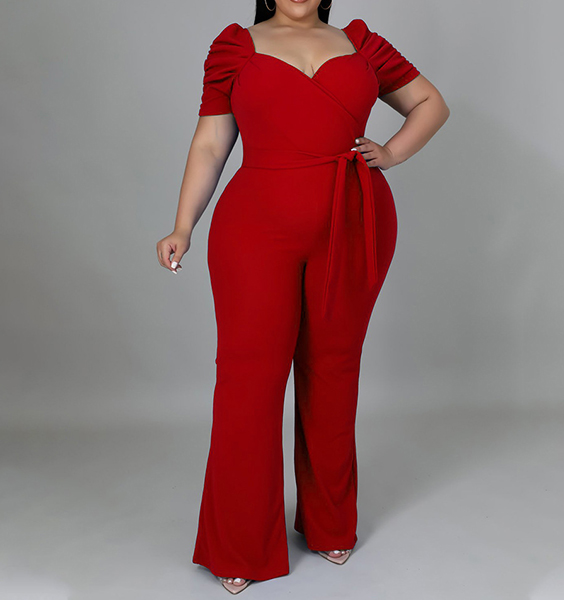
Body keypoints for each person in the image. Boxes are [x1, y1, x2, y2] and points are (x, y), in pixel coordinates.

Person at [156, 0, 449, 594]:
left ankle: (329, 522)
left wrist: (391, 153)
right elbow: (211, 143)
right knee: (248, 380)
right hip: (255, 230)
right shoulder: (235, 48)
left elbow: (430, 103)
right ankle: (240, 543)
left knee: (334, 369)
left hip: (354, 221)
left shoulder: (362, 43)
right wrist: (183, 224)